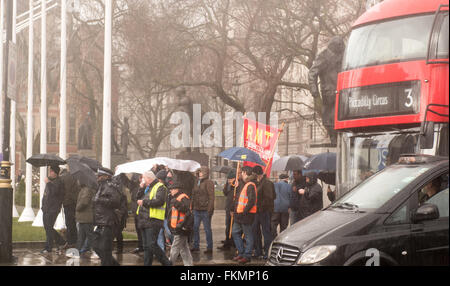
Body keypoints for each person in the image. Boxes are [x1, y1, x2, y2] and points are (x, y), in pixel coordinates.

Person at [308, 36, 346, 144]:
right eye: (339, 45)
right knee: (330, 119)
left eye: (341, 45)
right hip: (329, 93)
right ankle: (334, 139)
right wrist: (314, 91)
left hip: (343, 90)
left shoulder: (344, 55)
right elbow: (312, 73)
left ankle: (339, 140)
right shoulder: (324, 55)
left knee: (341, 118)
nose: (341, 47)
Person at [136, 171, 172, 266]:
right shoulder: (146, 188)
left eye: (144, 178)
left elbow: (159, 201)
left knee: (152, 245)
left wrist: (144, 202)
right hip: (144, 220)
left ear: (149, 178)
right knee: (146, 247)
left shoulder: (160, 187)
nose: (143, 180)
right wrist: (141, 187)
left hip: (153, 220)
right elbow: (137, 197)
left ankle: (167, 263)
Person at [92, 167, 121, 266]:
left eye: (100, 176)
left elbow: (116, 202)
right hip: (100, 221)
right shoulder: (101, 186)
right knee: (95, 246)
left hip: (108, 221)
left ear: (106, 176)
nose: (98, 178)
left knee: (105, 249)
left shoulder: (111, 186)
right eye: (98, 176)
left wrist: (99, 200)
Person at [231, 166, 258, 264]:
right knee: (235, 232)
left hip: (245, 215)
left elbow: (251, 201)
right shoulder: (246, 184)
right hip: (240, 214)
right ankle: (242, 253)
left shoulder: (250, 184)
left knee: (248, 236)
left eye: (242, 173)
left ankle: (247, 255)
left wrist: (244, 212)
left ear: (245, 172)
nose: (241, 174)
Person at [252, 165, 275, 260]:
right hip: (258, 211)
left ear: (257, 174)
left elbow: (270, 197)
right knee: (255, 230)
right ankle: (258, 251)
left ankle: (267, 252)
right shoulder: (259, 183)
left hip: (265, 211)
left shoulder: (267, 183)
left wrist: (259, 205)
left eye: (253, 174)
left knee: (266, 232)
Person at [168, 182, 194, 266]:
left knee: (175, 247)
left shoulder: (182, 198)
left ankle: (169, 263)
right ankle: (189, 265)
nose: (170, 190)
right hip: (180, 227)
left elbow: (187, 211)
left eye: (172, 189)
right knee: (184, 248)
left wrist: (176, 203)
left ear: (177, 190)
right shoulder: (177, 198)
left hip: (182, 227)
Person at [41, 165, 65, 254]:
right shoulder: (52, 181)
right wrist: (43, 206)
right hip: (46, 208)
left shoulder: (59, 182)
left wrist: (48, 183)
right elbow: (46, 194)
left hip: (53, 209)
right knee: (48, 228)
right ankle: (61, 241)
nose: (49, 173)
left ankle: (48, 248)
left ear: (55, 173)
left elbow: (54, 192)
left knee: (49, 228)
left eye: (51, 171)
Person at [191, 166, 215, 254]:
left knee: (207, 229)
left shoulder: (209, 182)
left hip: (205, 210)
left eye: (201, 172)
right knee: (195, 228)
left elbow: (212, 197)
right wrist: (192, 206)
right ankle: (196, 246)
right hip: (196, 209)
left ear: (205, 173)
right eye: (199, 172)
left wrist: (209, 210)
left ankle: (209, 247)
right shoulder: (197, 181)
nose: (200, 173)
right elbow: (193, 195)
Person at [60, 168, 81, 248]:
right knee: (73, 222)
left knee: (69, 223)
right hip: (74, 202)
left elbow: (61, 190)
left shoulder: (62, 177)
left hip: (67, 202)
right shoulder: (74, 176)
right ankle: (74, 241)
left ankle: (70, 242)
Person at [217, 170, 237, 250]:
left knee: (232, 226)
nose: (229, 181)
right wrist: (227, 184)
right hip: (228, 208)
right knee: (228, 225)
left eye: (230, 179)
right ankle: (228, 240)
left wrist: (232, 209)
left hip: (233, 209)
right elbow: (225, 193)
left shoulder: (236, 186)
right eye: (228, 179)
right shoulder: (229, 185)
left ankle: (231, 242)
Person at [75, 183, 96, 256]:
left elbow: (84, 202)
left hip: (86, 216)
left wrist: (77, 207)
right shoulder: (84, 189)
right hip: (83, 217)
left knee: (89, 235)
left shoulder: (87, 189)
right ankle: (78, 251)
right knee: (81, 236)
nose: (78, 181)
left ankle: (96, 251)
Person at [155, 169, 173, 252]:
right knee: (159, 233)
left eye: (159, 179)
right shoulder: (157, 188)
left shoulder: (168, 188)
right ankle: (161, 251)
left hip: (167, 215)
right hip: (160, 215)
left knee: (170, 233)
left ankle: (176, 247)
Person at [112, 174, 129, 254]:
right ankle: (118, 249)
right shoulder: (121, 193)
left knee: (118, 232)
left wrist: (119, 213)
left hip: (119, 216)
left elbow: (123, 207)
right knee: (117, 232)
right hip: (119, 215)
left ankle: (119, 249)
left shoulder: (121, 194)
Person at [272, 174, 291, 238]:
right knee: (283, 227)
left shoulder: (274, 185)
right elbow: (291, 197)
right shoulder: (289, 186)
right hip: (285, 209)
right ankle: (281, 239)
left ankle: (275, 237)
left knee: (273, 225)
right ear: (287, 179)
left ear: (279, 179)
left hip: (275, 208)